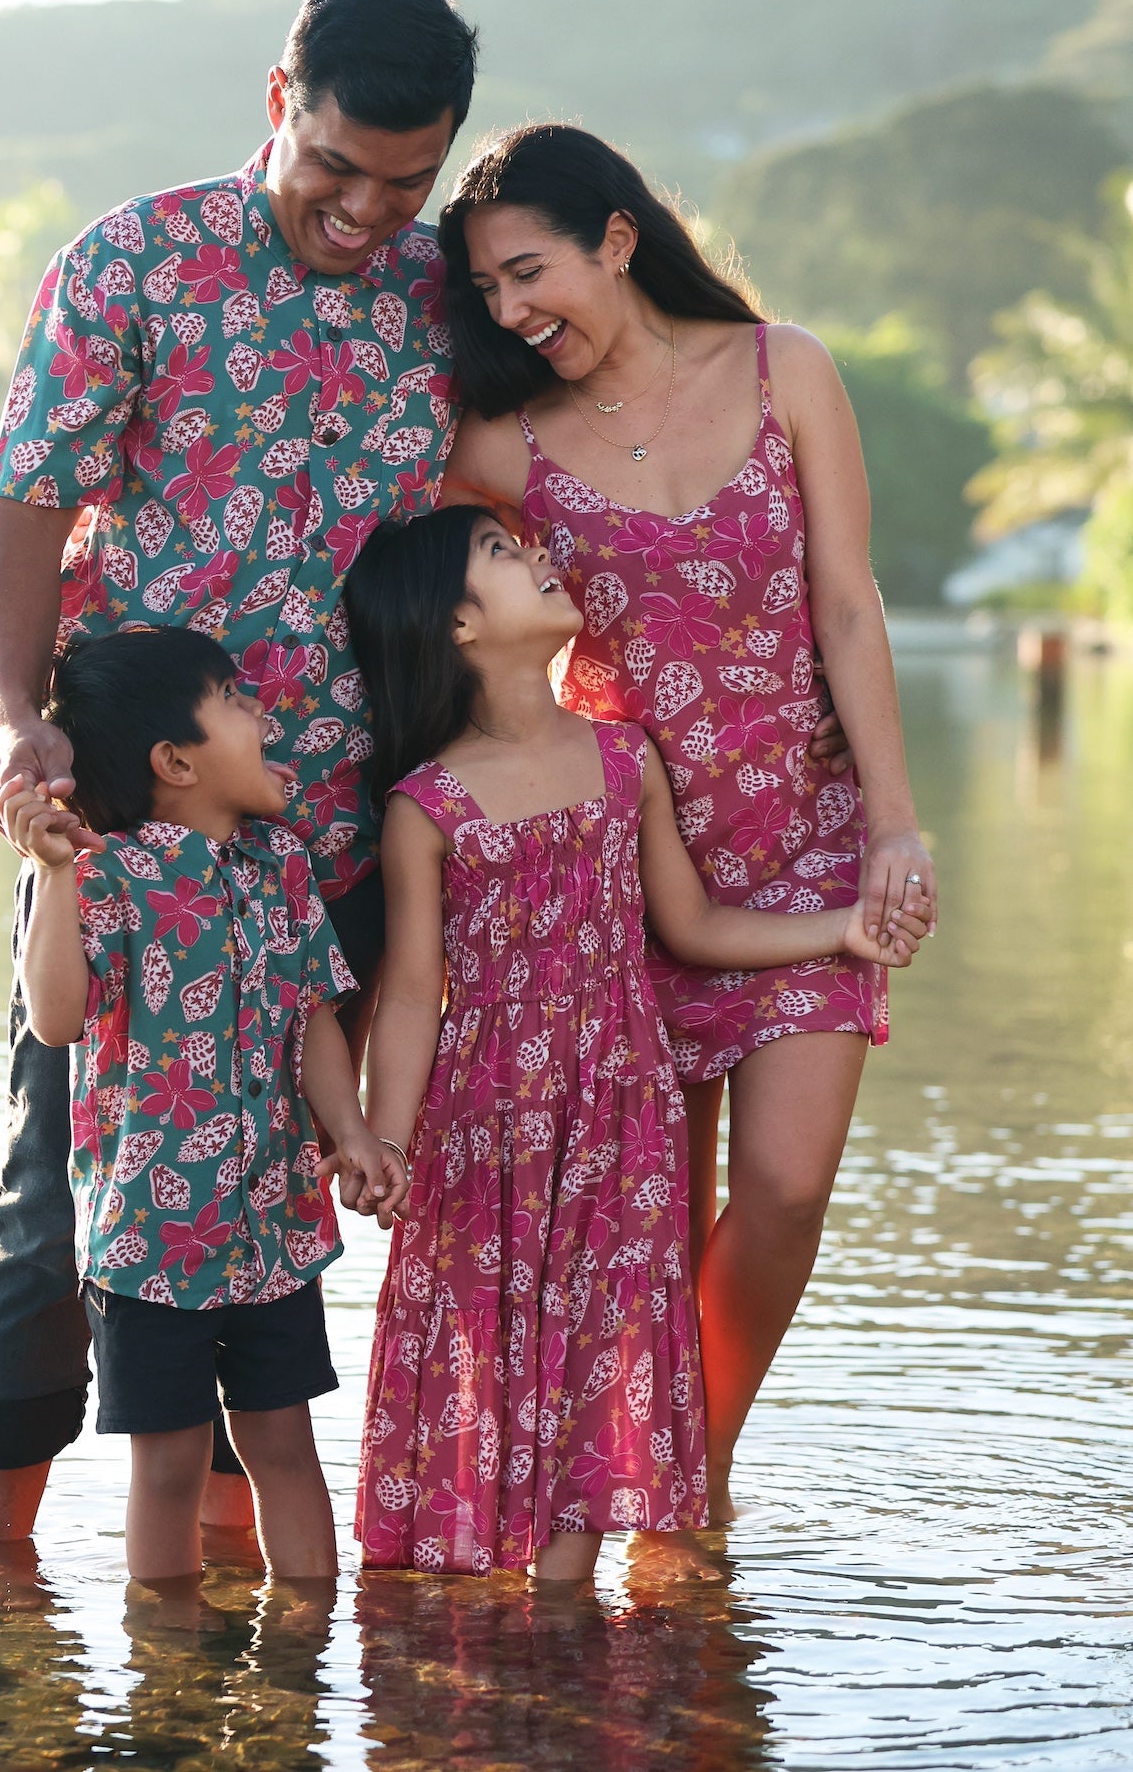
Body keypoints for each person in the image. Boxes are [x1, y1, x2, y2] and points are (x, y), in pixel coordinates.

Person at [0, 0, 477, 1543]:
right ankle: (3, 1590)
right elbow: (24, 524)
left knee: (281, 1206)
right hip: (128, 833)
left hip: (343, 839)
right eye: (335, 167)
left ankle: (239, 1584)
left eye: (407, 182)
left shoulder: (443, 291)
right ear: (278, 104)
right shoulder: (133, 265)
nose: (364, 211)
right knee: (61, 1202)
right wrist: (13, 723)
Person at [438, 124, 938, 1522]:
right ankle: (646, 1492)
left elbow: (845, 601)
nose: (510, 311)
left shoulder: (785, 369)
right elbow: (404, 583)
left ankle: (684, 1469)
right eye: (482, 293)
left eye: (525, 270)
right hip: (621, 871)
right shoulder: (500, 443)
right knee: (648, 1227)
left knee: (778, 1194)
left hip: (809, 845)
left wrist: (894, 827)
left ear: (613, 236)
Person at [338, 507, 927, 1579]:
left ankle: (565, 1615)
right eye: (502, 556)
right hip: (484, 1129)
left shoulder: (623, 758)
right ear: (458, 626)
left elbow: (692, 926)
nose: (538, 556)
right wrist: (386, 1136)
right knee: (482, 1340)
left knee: (600, 1342)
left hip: (620, 1115)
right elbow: (415, 992)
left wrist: (837, 930)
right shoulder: (424, 808)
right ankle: (455, 1601)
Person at [0, 625, 406, 1610]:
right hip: (149, 1238)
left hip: (273, 1224)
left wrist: (349, 1132)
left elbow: (314, 1013)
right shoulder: (104, 874)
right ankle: (166, 1672)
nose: (263, 714)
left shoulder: (283, 865)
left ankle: (308, 1653)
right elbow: (54, 1019)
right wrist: (53, 876)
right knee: (171, 1460)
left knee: (284, 1440)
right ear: (175, 761)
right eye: (236, 700)